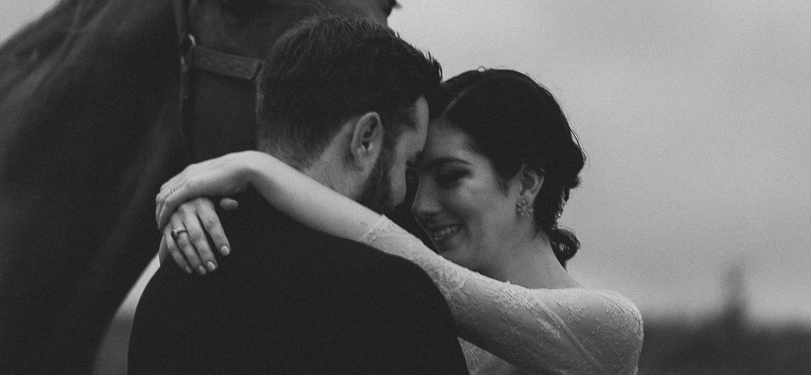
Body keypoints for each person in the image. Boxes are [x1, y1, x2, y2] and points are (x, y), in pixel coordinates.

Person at [157, 68, 644, 375]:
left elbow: (426, 273)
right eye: (415, 177)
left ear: (528, 183)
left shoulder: (609, 326)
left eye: (450, 176)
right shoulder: (426, 327)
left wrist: (256, 168)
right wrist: (201, 219)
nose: (422, 205)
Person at [128, 16, 469, 375]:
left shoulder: (168, 289)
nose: (406, 194)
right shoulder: (394, 298)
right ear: (365, 138)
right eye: (409, 164)